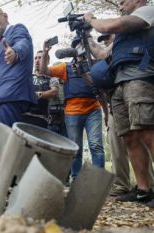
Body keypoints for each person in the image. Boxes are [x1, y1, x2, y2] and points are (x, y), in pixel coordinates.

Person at [84, 1, 154, 207]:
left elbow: (108, 26)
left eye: (124, 0)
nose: (121, 4)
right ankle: (143, 190)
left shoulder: (148, 11)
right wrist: (86, 36)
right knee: (130, 137)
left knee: (148, 132)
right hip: (119, 82)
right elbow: (102, 54)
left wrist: (91, 20)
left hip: (141, 76)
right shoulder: (124, 35)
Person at [39, 37, 105, 181]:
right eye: (77, 46)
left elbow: (101, 89)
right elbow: (44, 71)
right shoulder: (65, 67)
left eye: (83, 45)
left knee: (96, 145)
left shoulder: (95, 64)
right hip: (72, 112)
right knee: (76, 148)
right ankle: (76, 179)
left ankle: (98, 181)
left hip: (93, 109)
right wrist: (45, 53)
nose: (80, 48)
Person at [0, 7, 36, 127]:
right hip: (4, 100)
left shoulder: (17, 29)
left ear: (5, 16)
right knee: (6, 139)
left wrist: (15, 52)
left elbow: (23, 42)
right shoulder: (1, 40)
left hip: (12, 98)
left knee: (9, 140)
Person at [22, 50, 59, 128]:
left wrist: (38, 94)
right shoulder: (27, 77)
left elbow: (54, 92)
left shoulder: (52, 78)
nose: (37, 60)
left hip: (41, 119)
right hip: (24, 117)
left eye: (40, 58)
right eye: (35, 58)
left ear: (47, 61)